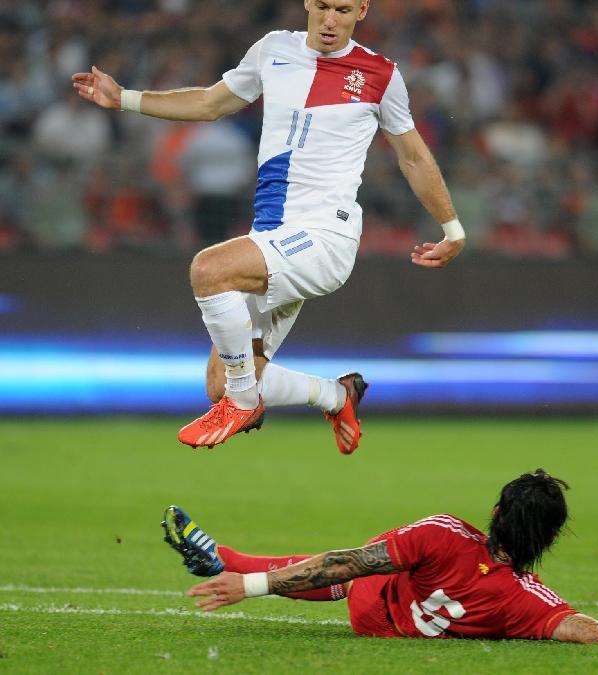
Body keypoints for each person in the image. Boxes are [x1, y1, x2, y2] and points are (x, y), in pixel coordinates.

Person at [72, 0, 466, 454]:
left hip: (324, 236)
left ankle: (243, 404)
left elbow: (412, 155)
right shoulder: (273, 49)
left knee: (209, 270)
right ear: (307, 4)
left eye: (342, 9)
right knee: (221, 382)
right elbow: (208, 102)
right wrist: (123, 97)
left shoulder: (380, 74)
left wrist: (452, 228)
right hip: (275, 238)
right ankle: (336, 395)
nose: (330, 19)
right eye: (321, 6)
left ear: (362, 10)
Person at [162, 469, 598, 646]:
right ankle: (233, 559)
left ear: (497, 514)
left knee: (366, 563)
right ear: (548, 539)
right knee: (367, 567)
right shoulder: (525, 602)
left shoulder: (447, 533)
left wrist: (253, 585)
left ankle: (234, 561)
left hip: (375, 600)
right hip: (403, 628)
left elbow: (346, 563)